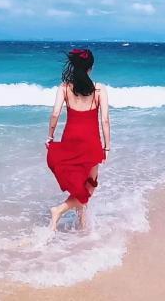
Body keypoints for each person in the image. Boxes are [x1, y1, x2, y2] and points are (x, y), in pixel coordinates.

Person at [46, 48, 111, 231]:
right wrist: (107, 146)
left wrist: (50, 136)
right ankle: (59, 210)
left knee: (79, 185)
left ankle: (82, 222)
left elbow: (55, 114)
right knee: (89, 186)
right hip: (90, 143)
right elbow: (105, 120)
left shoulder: (64, 88)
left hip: (70, 140)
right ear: (91, 67)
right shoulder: (99, 89)